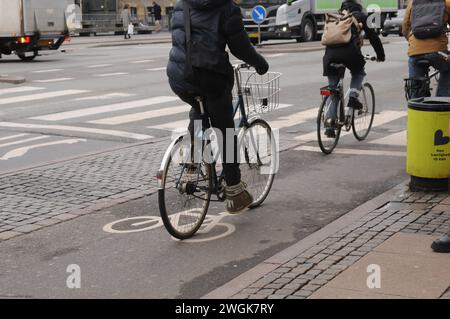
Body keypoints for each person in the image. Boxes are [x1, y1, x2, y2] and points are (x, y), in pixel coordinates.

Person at [167, 0, 269, 213]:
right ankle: (234, 191)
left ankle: (192, 159)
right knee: (225, 131)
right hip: (209, 76)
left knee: (198, 107)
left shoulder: (181, 4)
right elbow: (240, 47)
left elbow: (179, 37)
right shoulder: (226, 8)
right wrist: (260, 63)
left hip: (178, 75)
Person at [322, 0, 385, 137]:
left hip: (329, 56)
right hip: (350, 54)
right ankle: (352, 97)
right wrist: (380, 55)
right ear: (358, 6)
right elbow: (373, 37)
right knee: (358, 72)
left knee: (332, 89)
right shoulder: (361, 17)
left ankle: (330, 125)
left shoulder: (336, 18)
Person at [403, 0, 450, 98]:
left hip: (415, 52)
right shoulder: (446, 2)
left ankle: (415, 103)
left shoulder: (412, 3)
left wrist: (412, 42)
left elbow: (405, 27)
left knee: (415, 85)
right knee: (448, 68)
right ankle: (441, 99)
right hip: (438, 51)